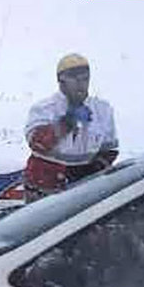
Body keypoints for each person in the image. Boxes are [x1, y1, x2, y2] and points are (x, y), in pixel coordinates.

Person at [23, 53, 118, 202]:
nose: (81, 84)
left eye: (85, 79)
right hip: (44, 188)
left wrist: (92, 170)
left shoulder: (103, 110)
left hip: (85, 188)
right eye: (74, 80)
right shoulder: (44, 109)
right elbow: (37, 143)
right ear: (61, 81)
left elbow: (110, 149)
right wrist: (66, 123)